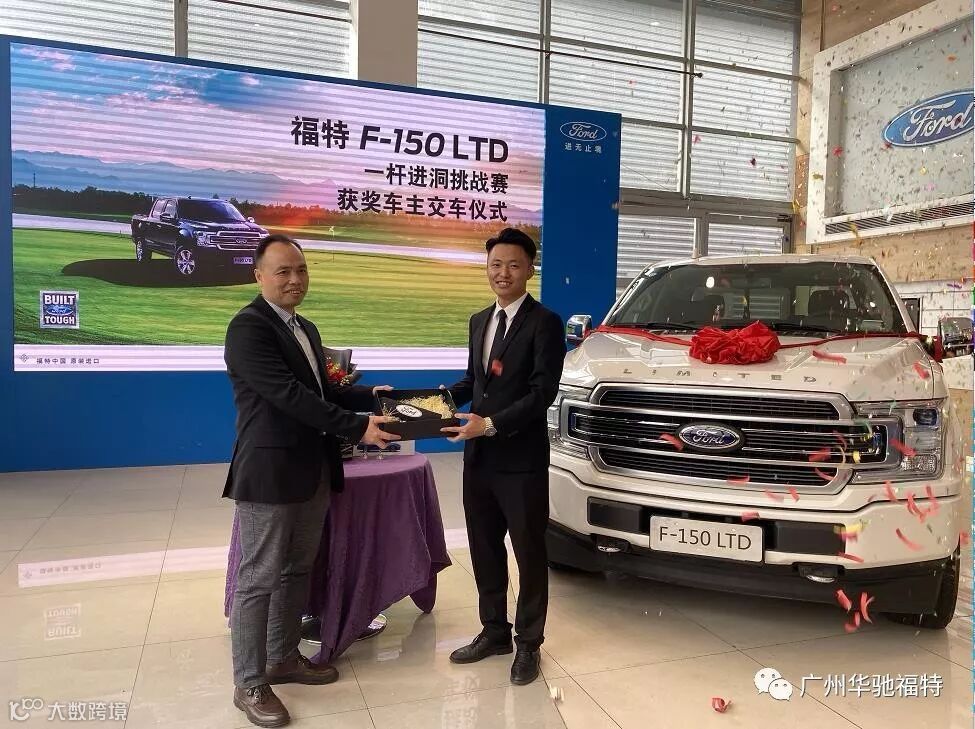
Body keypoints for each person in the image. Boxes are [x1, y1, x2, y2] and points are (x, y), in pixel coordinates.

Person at [223, 234, 398, 728]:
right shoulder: (248, 328)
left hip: (313, 468)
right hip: (270, 473)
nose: (294, 279)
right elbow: (287, 396)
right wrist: (358, 427)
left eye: (300, 270)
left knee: (296, 570)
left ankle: (282, 658)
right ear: (258, 275)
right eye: (282, 271)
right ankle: (249, 682)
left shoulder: (305, 327)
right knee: (258, 578)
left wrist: (373, 397)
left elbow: (321, 392)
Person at [442, 227, 565, 686]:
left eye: (513, 265)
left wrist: (491, 423)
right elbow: (474, 382)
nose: (503, 273)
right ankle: (494, 632)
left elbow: (541, 392)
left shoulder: (545, 322)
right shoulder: (480, 320)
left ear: (530, 269)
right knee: (484, 547)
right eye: (496, 264)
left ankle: (529, 643)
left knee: (529, 552)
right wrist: (425, 403)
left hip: (521, 459)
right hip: (479, 459)